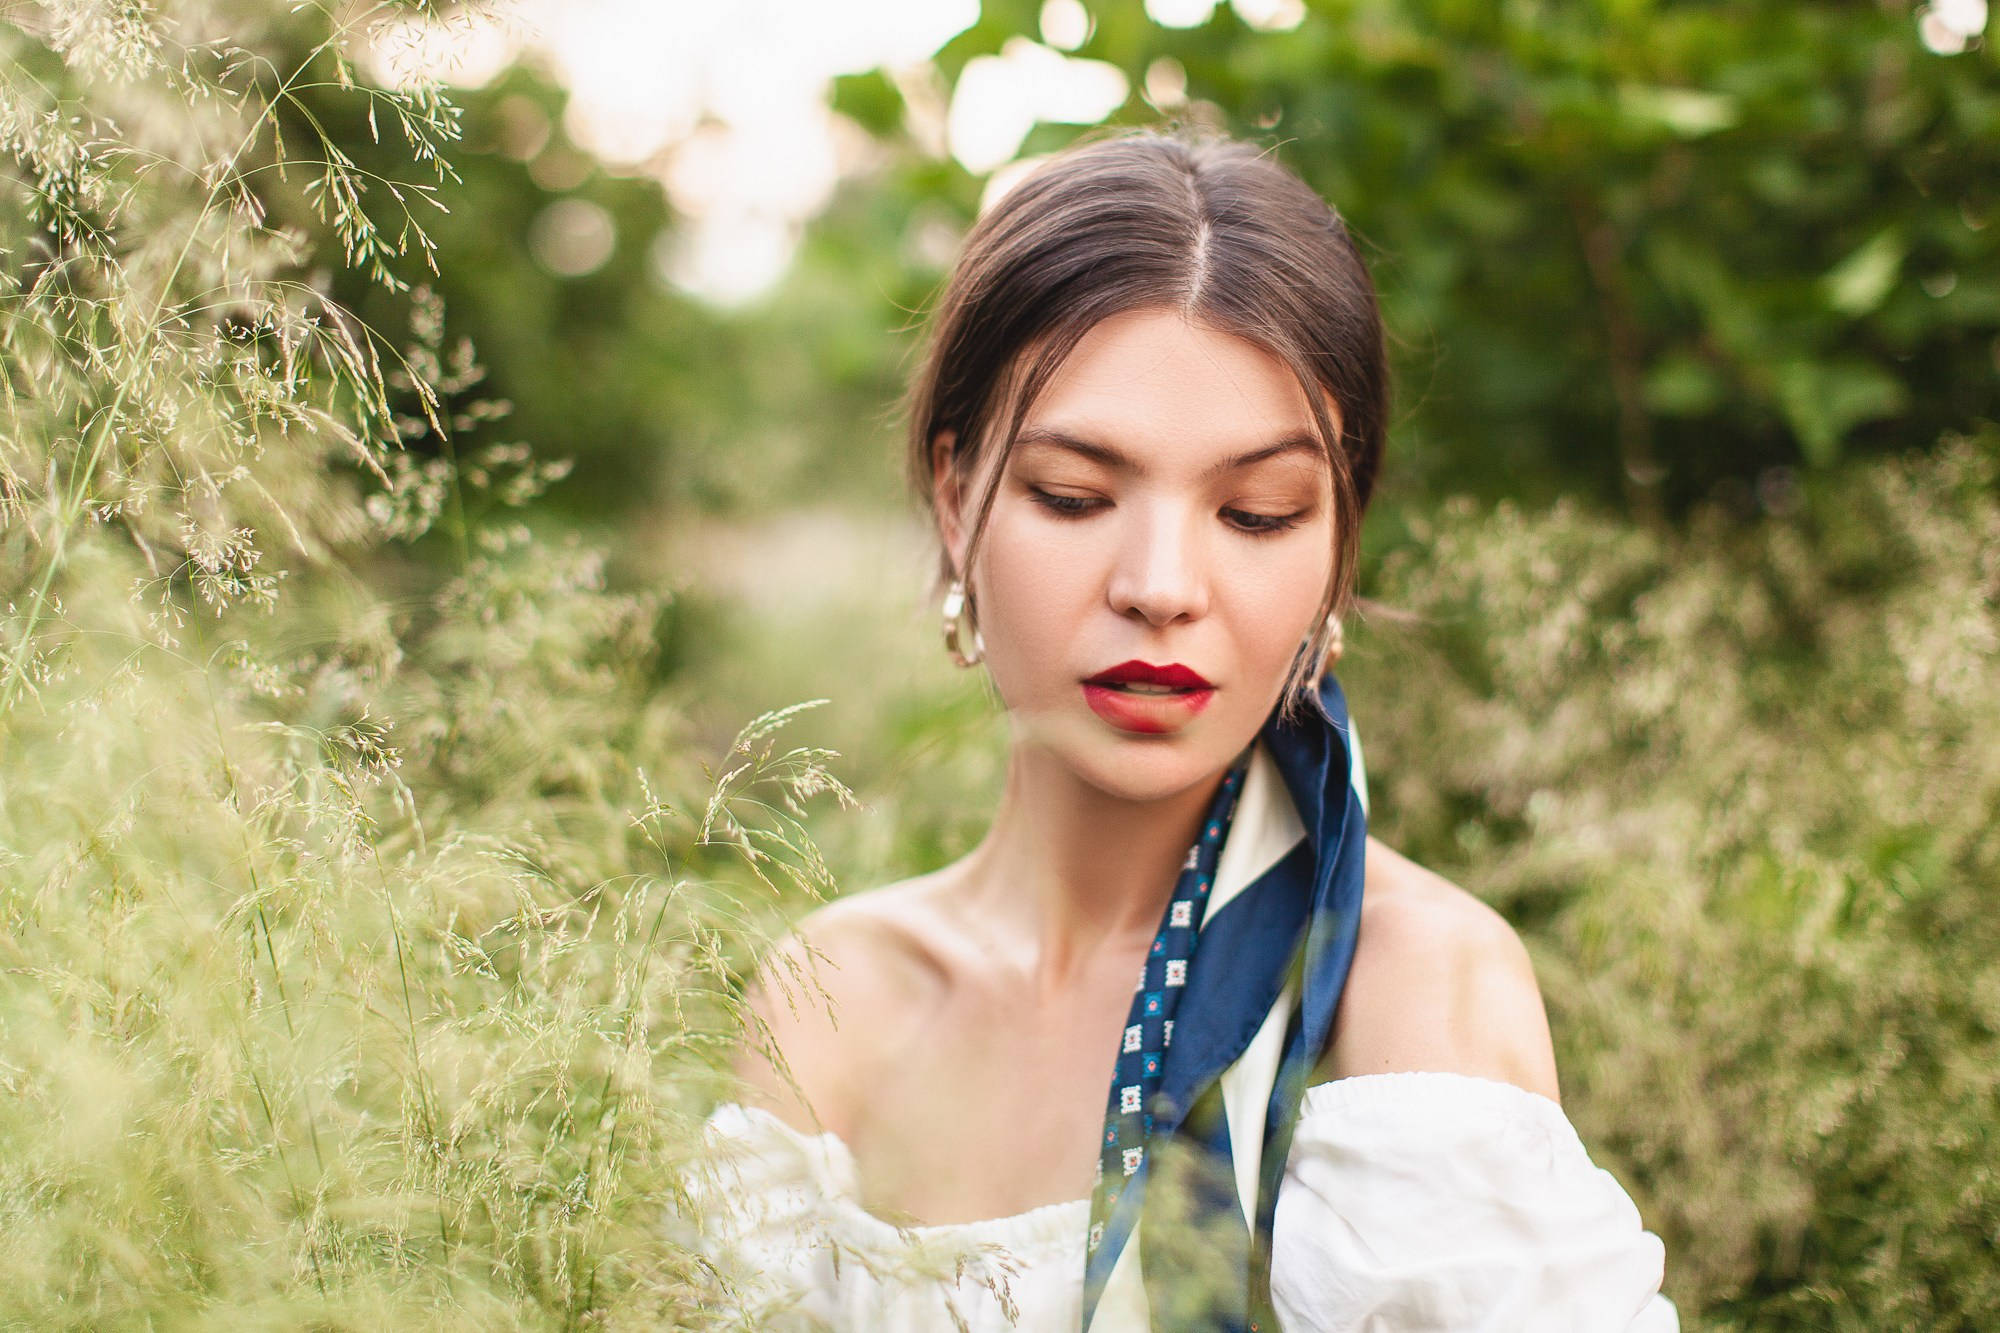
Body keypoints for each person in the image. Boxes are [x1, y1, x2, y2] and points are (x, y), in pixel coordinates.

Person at [693, 129, 1678, 1332]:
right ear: (956, 501)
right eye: (1073, 495)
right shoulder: (834, 993)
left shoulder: (1403, 990)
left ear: (1337, 540)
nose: (1159, 586)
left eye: (1256, 513)